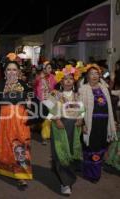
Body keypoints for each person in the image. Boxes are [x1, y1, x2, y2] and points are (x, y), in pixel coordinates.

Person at [0, 57, 33, 188]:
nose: (11, 72)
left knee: (20, 147)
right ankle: (5, 167)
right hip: (3, 122)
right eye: (9, 70)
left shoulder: (25, 86)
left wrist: (30, 103)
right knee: (4, 146)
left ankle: (21, 176)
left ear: (18, 72)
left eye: (14, 70)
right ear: (5, 72)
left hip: (20, 122)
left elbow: (34, 103)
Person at [48, 65, 84, 195]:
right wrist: (57, 119)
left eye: (70, 78)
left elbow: (81, 110)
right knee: (60, 153)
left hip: (73, 128)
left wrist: (80, 118)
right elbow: (48, 108)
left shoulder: (77, 95)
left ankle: (68, 176)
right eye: (65, 79)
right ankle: (65, 183)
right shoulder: (54, 94)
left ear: (74, 81)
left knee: (71, 153)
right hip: (59, 126)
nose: (68, 81)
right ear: (61, 81)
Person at [79, 64, 117, 183]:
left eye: (96, 73)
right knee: (91, 148)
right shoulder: (83, 89)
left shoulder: (104, 88)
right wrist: (83, 124)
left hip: (104, 124)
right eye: (92, 74)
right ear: (87, 76)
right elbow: (80, 109)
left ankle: (94, 171)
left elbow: (110, 107)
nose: (94, 76)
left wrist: (113, 121)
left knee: (101, 147)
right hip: (91, 124)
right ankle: (92, 174)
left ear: (100, 75)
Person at [34, 61, 57, 145]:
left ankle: (49, 135)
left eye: (51, 68)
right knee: (45, 119)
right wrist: (42, 100)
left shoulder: (53, 77)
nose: (50, 70)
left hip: (52, 100)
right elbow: (37, 90)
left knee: (50, 118)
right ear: (44, 69)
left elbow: (56, 88)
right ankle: (44, 137)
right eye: (48, 68)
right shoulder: (39, 78)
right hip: (42, 101)